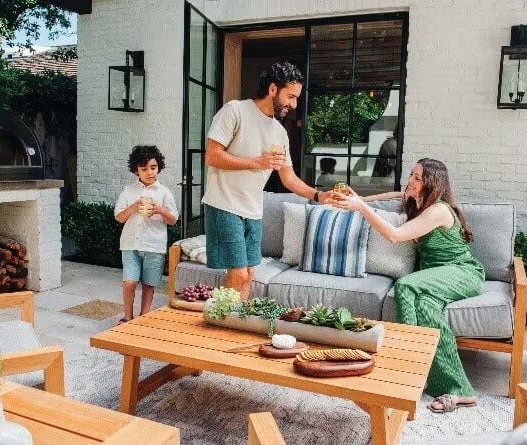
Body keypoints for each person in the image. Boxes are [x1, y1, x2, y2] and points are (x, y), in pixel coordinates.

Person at [332, 158, 484, 413]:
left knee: (404, 286)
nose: (410, 181)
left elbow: (395, 236)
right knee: (426, 309)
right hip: (434, 276)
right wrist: (356, 199)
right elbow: (388, 195)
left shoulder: (438, 210)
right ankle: (460, 391)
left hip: (461, 272)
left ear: (431, 183)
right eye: (411, 174)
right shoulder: (416, 201)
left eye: (416, 177)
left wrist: (360, 208)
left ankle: (405, 367)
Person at [201, 61, 335, 300]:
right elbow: (212, 156)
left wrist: (318, 195)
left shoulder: (279, 133)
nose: (293, 105)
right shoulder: (235, 111)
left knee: (250, 273)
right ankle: (225, 327)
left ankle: (235, 322)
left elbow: (289, 178)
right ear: (273, 89)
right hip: (224, 204)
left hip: (253, 210)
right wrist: (257, 162)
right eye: (291, 97)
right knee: (239, 274)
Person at [114, 145, 179, 324]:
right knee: (130, 282)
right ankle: (127, 317)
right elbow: (119, 217)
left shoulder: (164, 193)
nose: (150, 172)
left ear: (158, 167)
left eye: (153, 167)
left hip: (153, 245)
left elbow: (173, 219)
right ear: (136, 171)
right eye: (144, 169)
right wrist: (133, 207)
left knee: (149, 284)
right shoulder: (129, 191)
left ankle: (142, 319)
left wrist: (159, 210)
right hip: (130, 244)